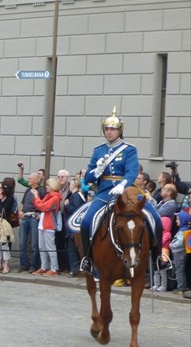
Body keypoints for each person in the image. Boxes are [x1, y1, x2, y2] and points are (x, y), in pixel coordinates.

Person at [80, 107, 167, 274]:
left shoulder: (129, 149)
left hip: (128, 192)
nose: (109, 132)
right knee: (86, 222)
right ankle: (88, 259)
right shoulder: (98, 150)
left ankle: (158, 258)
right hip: (104, 192)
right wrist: (97, 171)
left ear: (119, 131)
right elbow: (88, 179)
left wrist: (123, 184)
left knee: (154, 217)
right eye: (107, 129)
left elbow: (132, 170)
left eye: (113, 129)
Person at [16, 164, 46, 273]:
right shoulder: (28, 190)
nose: (28, 180)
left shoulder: (42, 191)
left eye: (30, 178)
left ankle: (34, 265)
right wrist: (20, 211)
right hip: (24, 218)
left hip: (34, 218)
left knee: (34, 243)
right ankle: (24, 264)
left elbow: (44, 205)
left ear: (36, 181)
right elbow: (23, 203)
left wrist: (39, 215)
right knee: (22, 242)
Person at [31, 177, 62, 277]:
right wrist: (38, 200)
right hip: (43, 223)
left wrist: (36, 197)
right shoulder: (49, 195)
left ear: (53, 187)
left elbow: (44, 207)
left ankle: (54, 268)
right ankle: (44, 266)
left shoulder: (55, 197)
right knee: (42, 247)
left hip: (49, 224)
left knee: (50, 247)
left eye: (48, 185)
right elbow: (41, 205)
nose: (46, 187)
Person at [0, 181, 15, 273]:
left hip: (5, 224)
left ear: (4, 189)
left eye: (0, 188)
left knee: (4, 245)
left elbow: (4, 210)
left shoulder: (10, 199)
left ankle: (6, 265)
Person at [64, 178, 86, 277]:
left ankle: (74, 269)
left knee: (72, 249)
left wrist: (67, 205)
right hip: (73, 227)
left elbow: (76, 211)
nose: (69, 186)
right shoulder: (75, 195)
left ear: (74, 185)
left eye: (71, 184)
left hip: (74, 228)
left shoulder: (76, 196)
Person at [170, 211, 190, 294]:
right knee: (179, 270)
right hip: (177, 253)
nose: (176, 221)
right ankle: (182, 286)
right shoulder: (181, 230)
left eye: (178, 219)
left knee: (179, 270)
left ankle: (181, 287)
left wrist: (171, 245)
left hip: (179, 253)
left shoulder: (183, 231)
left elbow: (178, 243)